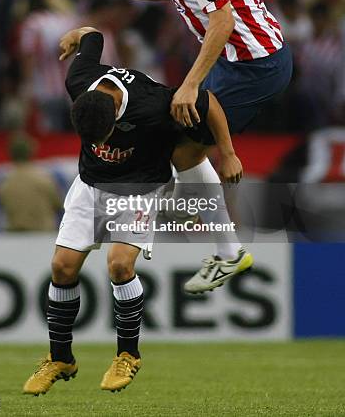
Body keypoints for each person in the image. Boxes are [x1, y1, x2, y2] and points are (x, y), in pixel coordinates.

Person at [60, 0, 292, 285]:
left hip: (254, 64)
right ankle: (216, 236)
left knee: (183, 147)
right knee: (180, 144)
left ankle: (221, 244)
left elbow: (223, 20)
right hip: (240, 60)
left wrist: (190, 83)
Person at [22, 26, 252, 396]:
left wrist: (227, 153)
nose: (100, 144)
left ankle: (128, 354)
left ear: (117, 111)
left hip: (140, 186)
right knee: (62, 267)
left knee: (119, 264)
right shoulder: (80, 80)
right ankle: (60, 357)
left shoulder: (155, 104)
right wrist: (77, 34)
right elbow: (93, 36)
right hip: (90, 184)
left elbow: (208, 102)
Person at [0, 135, 62, 231]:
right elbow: (58, 205)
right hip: (42, 235)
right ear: (31, 152)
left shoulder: (5, 183)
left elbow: (3, 206)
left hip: (15, 236)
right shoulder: (44, 178)